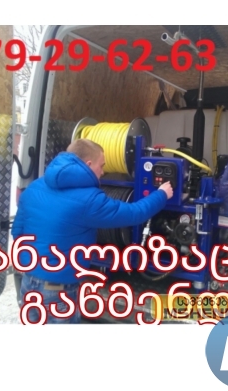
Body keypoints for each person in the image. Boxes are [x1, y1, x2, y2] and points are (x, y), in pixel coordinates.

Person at [12, 138, 173, 323]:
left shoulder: (35, 186)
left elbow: (17, 231)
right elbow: (134, 213)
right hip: (57, 290)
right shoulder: (89, 200)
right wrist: (162, 194)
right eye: (101, 166)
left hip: (28, 281)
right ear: (88, 164)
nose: (103, 172)